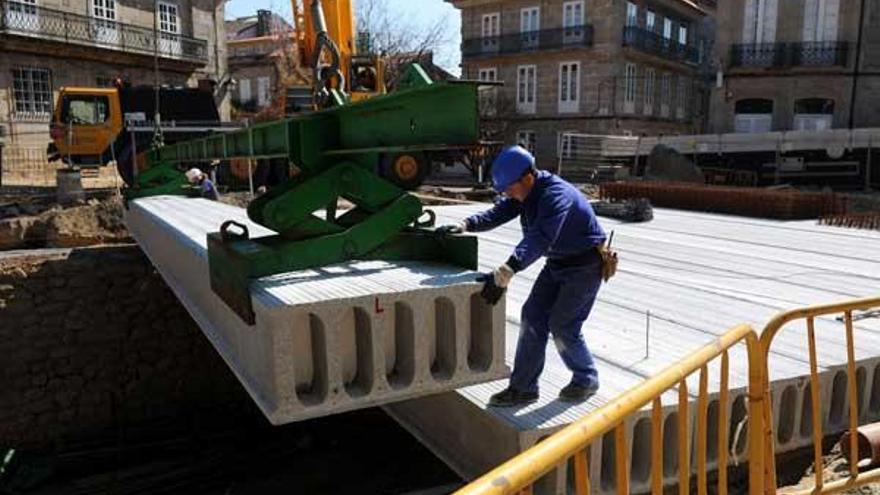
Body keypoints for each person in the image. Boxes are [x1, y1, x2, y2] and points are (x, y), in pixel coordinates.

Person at [437, 145, 607, 407]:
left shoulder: (555, 196)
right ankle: (524, 388)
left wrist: (508, 269)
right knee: (532, 316)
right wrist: (466, 224)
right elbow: (499, 212)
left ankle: (586, 378)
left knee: (563, 324)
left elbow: (540, 238)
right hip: (558, 263)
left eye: (509, 188)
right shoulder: (526, 192)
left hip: (585, 266)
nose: (506, 194)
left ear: (527, 178)